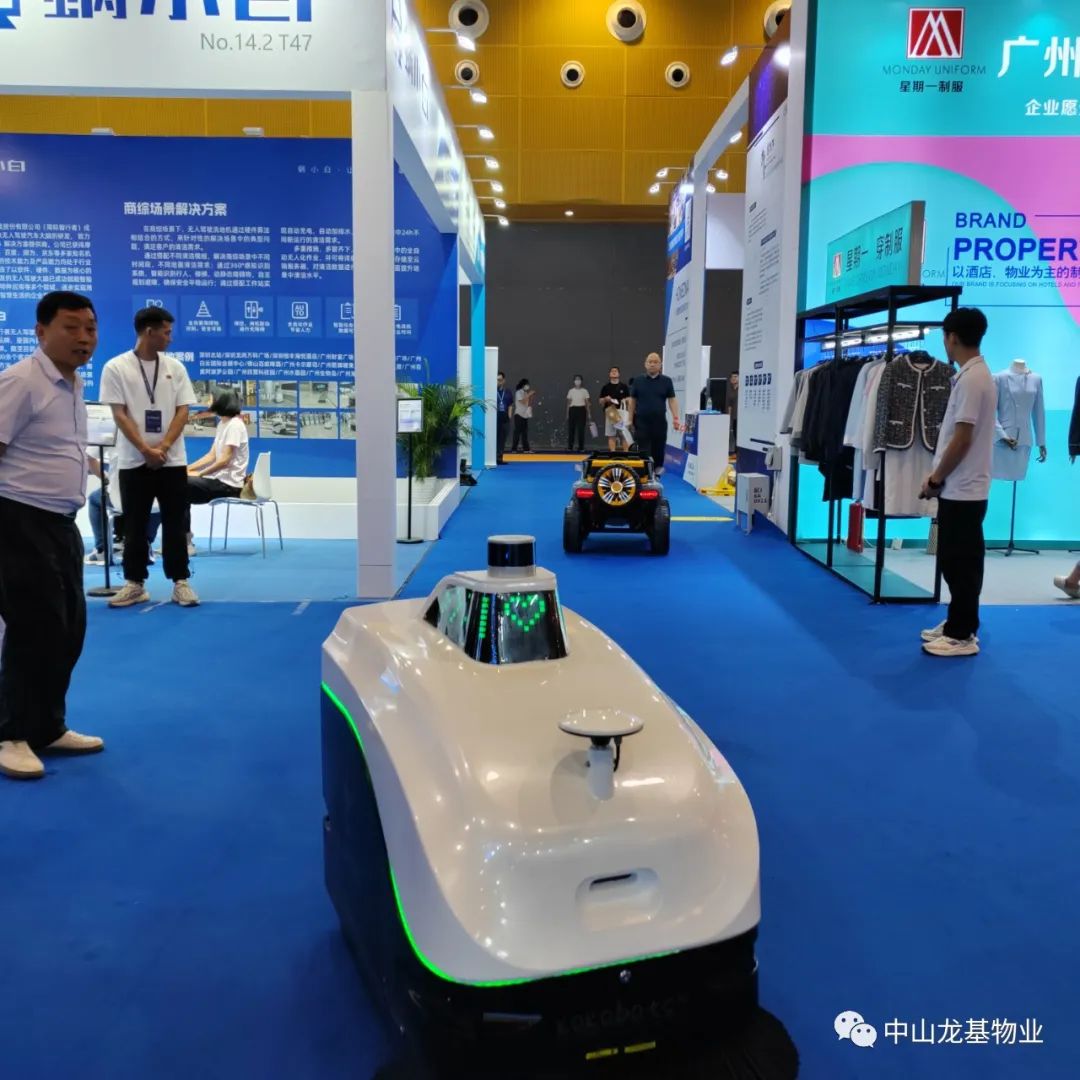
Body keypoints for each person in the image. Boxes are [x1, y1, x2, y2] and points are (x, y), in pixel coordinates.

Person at [0, 291, 105, 780]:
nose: (84, 337)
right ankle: (10, 733)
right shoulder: (22, 381)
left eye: (90, 328)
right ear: (41, 332)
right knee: (32, 628)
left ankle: (45, 726)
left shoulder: (73, 384)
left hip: (60, 523)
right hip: (17, 520)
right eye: (71, 327)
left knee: (67, 628)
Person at [101, 307, 200, 608]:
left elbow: (183, 410)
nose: (170, 338)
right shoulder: (116, 368)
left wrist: (164, 447)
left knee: (175, 523)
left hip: (172, 460)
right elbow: (119, 414)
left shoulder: (175, 368)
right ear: (149, 331)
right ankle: (134, 584)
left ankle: (180, 582)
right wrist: (145, 450)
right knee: (134, 525)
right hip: (134, 460)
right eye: (166, 332)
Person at [919, 307, 997, 658]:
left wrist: (936, 479)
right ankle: (958, 621)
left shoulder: (972, 379)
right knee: (957, 560)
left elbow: (962, 438)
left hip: (964, 488)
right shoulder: (973, 375)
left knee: (960, 562)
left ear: (951, 337)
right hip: (963, 486)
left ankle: (961, 634)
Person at [185, 390, 250, 551]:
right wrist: (186, 469)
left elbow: (224, 460)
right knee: (176, 488)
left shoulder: (235, 425)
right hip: (219, 481)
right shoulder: (223, 424)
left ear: (221, 402)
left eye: (211, 399)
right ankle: (182, 540)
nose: (208, 402)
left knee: (178, 487)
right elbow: (211, 456)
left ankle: (184, 542)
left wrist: (200, 474)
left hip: (229, 485)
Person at [84, 450, 160, 566]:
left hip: (121, 497)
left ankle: (102, 549)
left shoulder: (117, 439)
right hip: (155, 498)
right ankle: (145, 544)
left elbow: (90, 457)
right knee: (159, 501)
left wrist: (106, 479)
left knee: (95, 498)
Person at [627, 352, 681, 474]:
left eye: (655, 362)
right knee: (642, 450)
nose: (652, 364)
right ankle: (642, 474)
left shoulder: (667, 381)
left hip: (659, 422)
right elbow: (632, 401)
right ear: (645, 364)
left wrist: (676, 418)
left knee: (658, 449)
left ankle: (656, 475)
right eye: (650, 362)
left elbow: (672, 400)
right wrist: (629, 419)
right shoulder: (637, 381)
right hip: (641, 422)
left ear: (660, 365)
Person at [600, 366, 631, 451]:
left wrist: (625, 400)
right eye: (612, 371)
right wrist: (605, 399)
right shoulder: (605, 387)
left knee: (624, 434)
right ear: (609, 374)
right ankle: (613, 453)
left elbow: (629, 399)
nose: (614, 372)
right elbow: (600, 401)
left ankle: (626, 453)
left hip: (622, 412)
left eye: (616, 371)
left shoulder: (624, 386)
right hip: (610, 412)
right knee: (611, 435)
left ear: (619, 374)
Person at [565, 374, 591, 452]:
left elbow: (587, 403)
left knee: (581, 429)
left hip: (582, 410)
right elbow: (568, 403)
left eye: (579, 379)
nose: (577, 381)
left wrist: (589, 413)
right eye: (576, 379)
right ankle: (570, 447)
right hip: (572, 410)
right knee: (571, 429)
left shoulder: (585, 391)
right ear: (574, 381)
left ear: (581, 381)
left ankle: (581, 447)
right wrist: (567, 413)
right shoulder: (571, 391)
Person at [512, 378, 534, 453]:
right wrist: (529, 394)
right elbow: (522, 401)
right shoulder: (518, 392)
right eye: (527, 385)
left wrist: (531, 397)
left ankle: (526, 449)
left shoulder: (525, 393)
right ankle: (514, 449)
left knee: (525, 433)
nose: (528, 386)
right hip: (519, 414)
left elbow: (527, 403)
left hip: (525, 415)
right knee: (517, 432)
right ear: (523, 385)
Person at [495, 371, 513, 465]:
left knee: (502, 439)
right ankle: (492, 458)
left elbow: (510, 404)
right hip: (495, 418)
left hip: (505, 418)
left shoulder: (508, 392)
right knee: (495, 438)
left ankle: (499, 458)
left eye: (500, 380)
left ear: (503, 381)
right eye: (496, 380)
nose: (498, 382)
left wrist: (509, 416)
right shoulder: (492, 391)